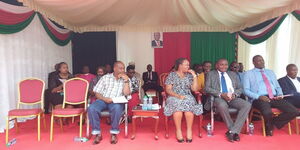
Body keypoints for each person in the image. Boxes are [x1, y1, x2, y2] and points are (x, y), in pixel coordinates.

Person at [243, 55, 298, 136]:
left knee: (294, 111)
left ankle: (271, 123)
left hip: (275, 97)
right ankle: (269, 128)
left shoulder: (270, 72)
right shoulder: (248, 74)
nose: (262, 62)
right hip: (259, 98)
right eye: (259, 61)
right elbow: (245, 90)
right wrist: (258, 96)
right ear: (253, 63)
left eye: (262, 60)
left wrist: (280, 94)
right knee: (267, 112)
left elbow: (277, 86)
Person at [205, 58, 251, 142]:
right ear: (216, 65)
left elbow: (240, 88)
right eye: (221, 64)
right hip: (218, 98)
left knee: (247, 104)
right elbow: (207, 88)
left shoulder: (233, 74)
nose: (224, 66)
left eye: (226, 64)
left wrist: (234, 94)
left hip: (232, 97)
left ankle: (232, 131)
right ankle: (234, 131)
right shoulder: (211, 74)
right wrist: (221, 94)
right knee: (222, 105)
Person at [88, 61, 131, 145]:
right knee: (92, 108)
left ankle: (114, 133)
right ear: (114, 68)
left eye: (123, 68)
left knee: (117, 108)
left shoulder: (126, 79)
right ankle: (97, 133)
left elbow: (126, 93)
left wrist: (126, 80)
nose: (123, 70)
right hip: (103, 100)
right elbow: (97, 93)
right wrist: (105, 99)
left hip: (116, 101)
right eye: (121, 68)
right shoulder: (105, 78)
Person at [164, 58, 202, 143]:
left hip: (187, 96)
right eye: (186, 65)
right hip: (174, 96)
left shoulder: (189, 76)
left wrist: (194, 76)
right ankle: (178, 131)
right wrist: (177, 95)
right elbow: (168, 89)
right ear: (180, 66)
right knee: (178, 110)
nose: (188, 66)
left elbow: (195, 89)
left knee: (188, 109)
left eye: (188, 65)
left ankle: (189, 130)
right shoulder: (172, 75)